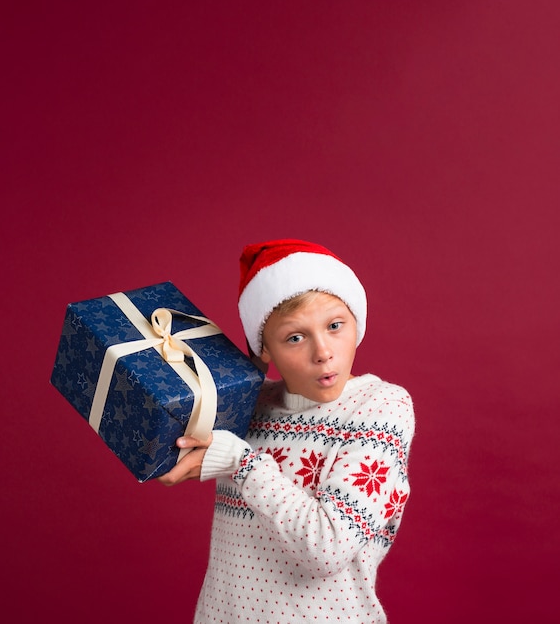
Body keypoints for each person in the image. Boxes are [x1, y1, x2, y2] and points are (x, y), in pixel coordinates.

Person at [159, 239, 415, 623]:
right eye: (295, 337)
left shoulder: (381, 407)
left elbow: (326, 548)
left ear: (356, 322)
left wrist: (241, 463)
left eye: (334, 326)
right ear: (265, 349)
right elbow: (168, 452)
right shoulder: (245, 405)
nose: (323, 352)